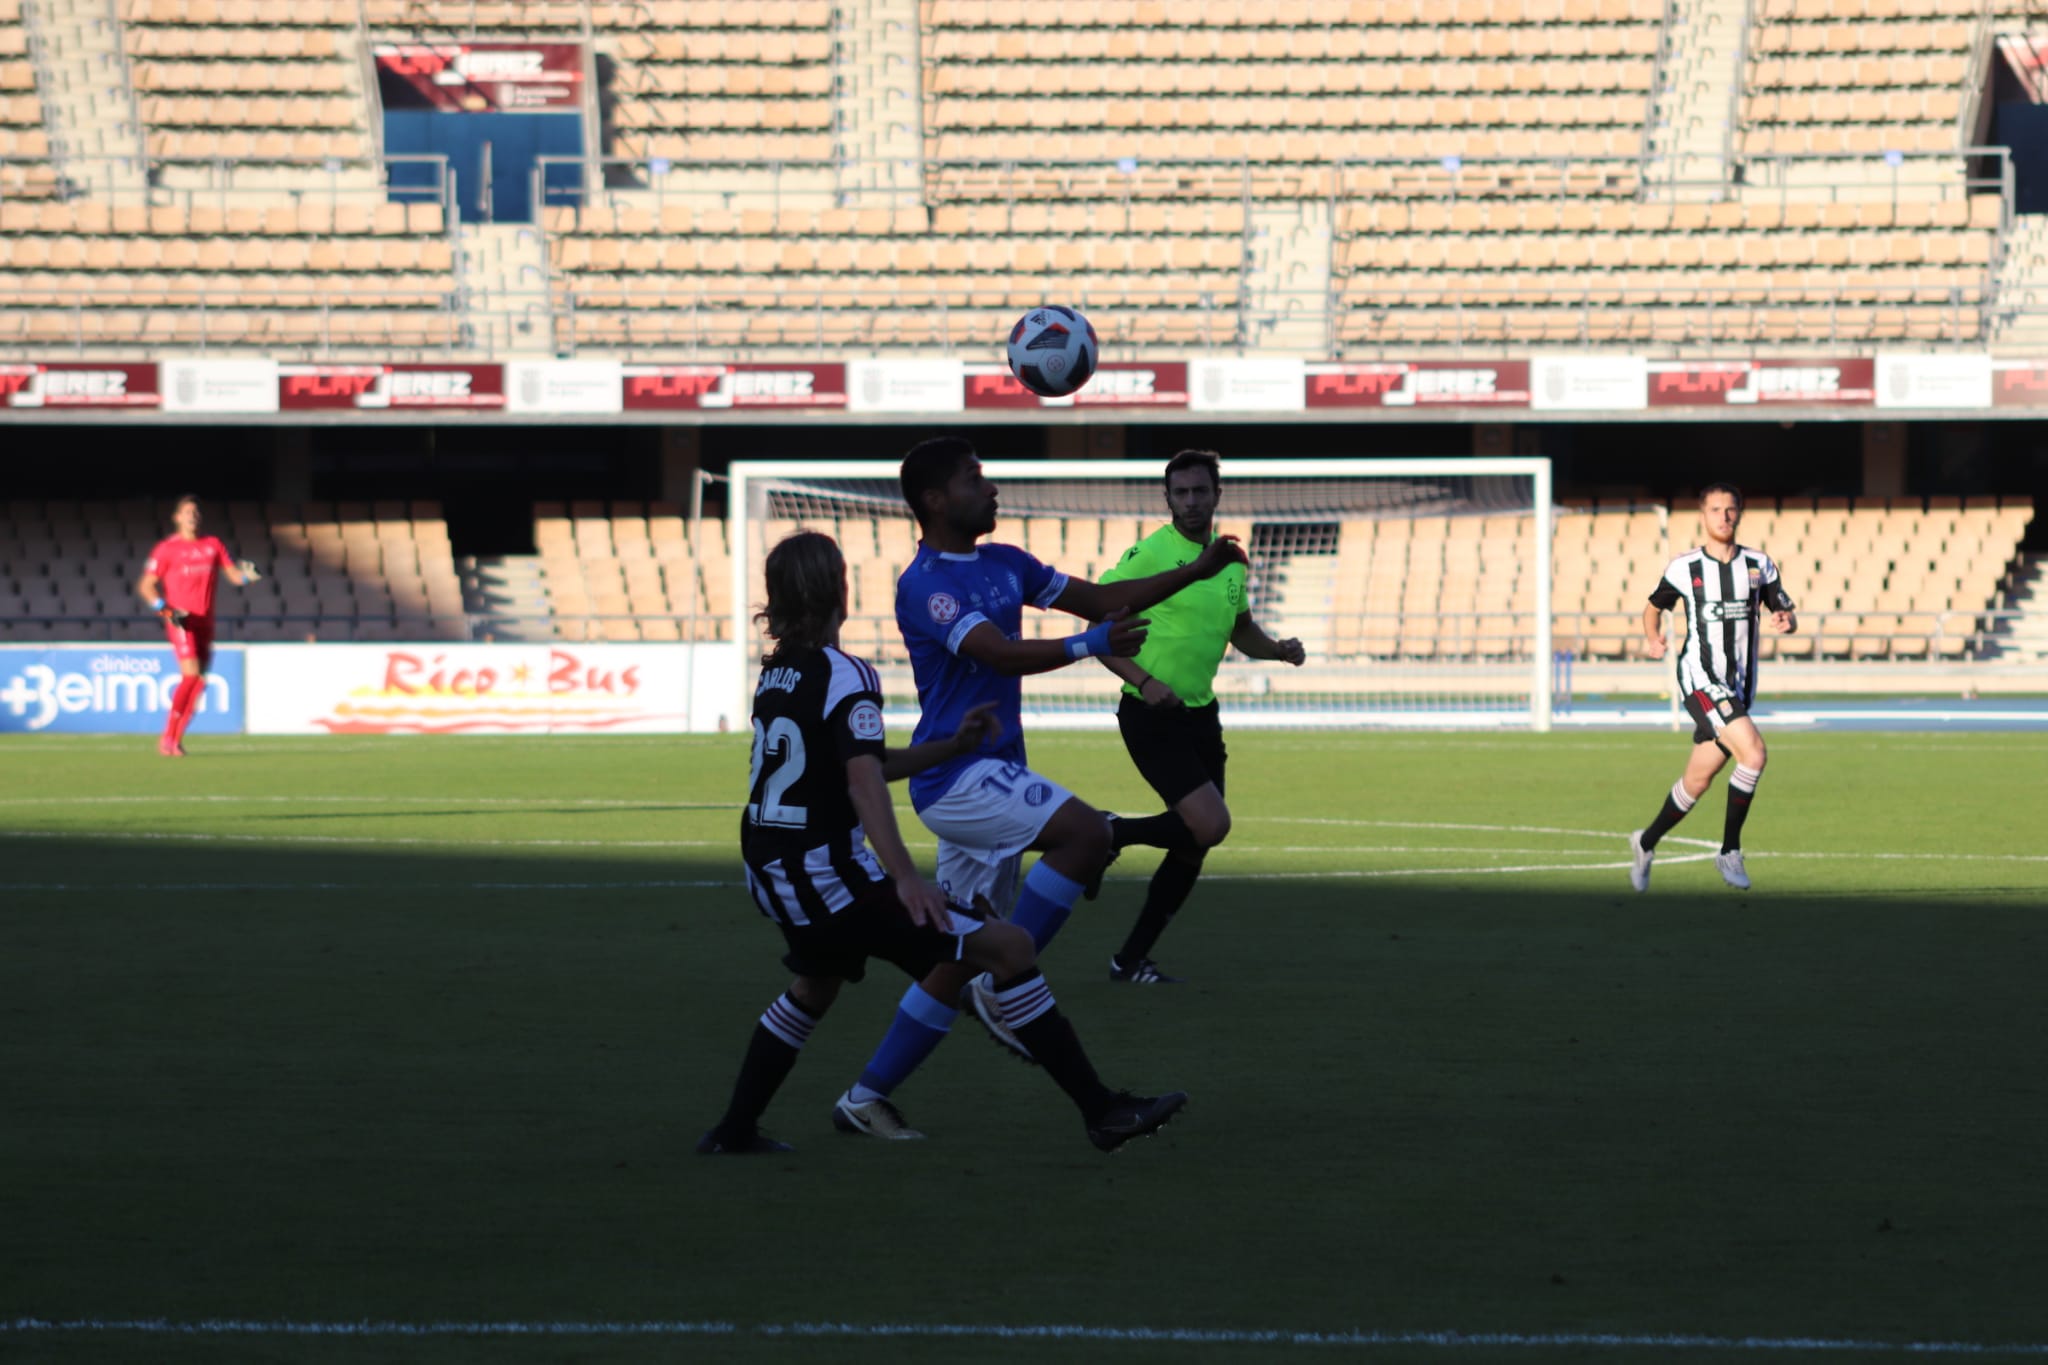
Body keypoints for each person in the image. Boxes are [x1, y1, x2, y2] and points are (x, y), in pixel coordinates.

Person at [700, 530, 1186, 1155]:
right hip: (831, 876)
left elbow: (861, 761)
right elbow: (862, 780)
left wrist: (950, 748)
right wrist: (904, 878)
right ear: (838, 592)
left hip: (775, 872)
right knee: (1007, 946)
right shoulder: (848, 674)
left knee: (819, 983)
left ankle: (736, 1130)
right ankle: (1104, 1112)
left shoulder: (777, 677)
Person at [829, 436, 1247, 1131]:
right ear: (935, 500)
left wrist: (1199, 569)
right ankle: (1011, 990)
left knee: (961, 956)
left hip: (997, 774)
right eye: (974, 479)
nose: (990, 489)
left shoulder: (1006, 562)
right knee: (1086, 833)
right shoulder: (925, 582)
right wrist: (1091, 645)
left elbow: (1103, 598)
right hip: (955, 777)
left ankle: (864, 1097)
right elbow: (997, 651)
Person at [1091, 450, 1305, 984]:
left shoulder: (1231, 561)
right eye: (1180, 493)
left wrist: (1277, 649)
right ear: (1166, 499)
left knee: (1193, 847)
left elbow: (1240, 629)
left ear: (1217, 496)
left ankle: (1130, 960)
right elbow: (1097, 626)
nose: (1190, 501)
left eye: (1199, 491)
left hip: (1202, 716)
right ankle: (1108, 832)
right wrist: (1143, 679)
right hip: (1148, 712)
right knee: (1210, 824)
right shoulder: (1148, 556)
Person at [1630, 482, 1797, 892]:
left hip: (1737, 688)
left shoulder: (1759, 565)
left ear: (1739, 514)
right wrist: (1652, 637)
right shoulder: (1684, 568)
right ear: (1703, 517)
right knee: (1754, 754)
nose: (1723, 516)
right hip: (1700, 679)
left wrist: (1785, 621)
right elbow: (1653, 608)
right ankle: (1729, 851)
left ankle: (1645, 841)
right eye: (1715, 510)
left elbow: (1785, 611)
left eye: (1730, 509)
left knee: (1697, 780)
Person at [135, 495, 259, 757]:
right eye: (187, 512)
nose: (193, 515)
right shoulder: (167, 549)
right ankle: (168, 736)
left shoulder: (212, 545)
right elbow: (146, 587)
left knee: (199, 681)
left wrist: (249, 576)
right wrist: (168, 612)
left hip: (206, 621)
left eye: (196, 512)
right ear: (177, 518)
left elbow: (234, 576)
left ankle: (175, 741)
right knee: (190, 675)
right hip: (182, 620)